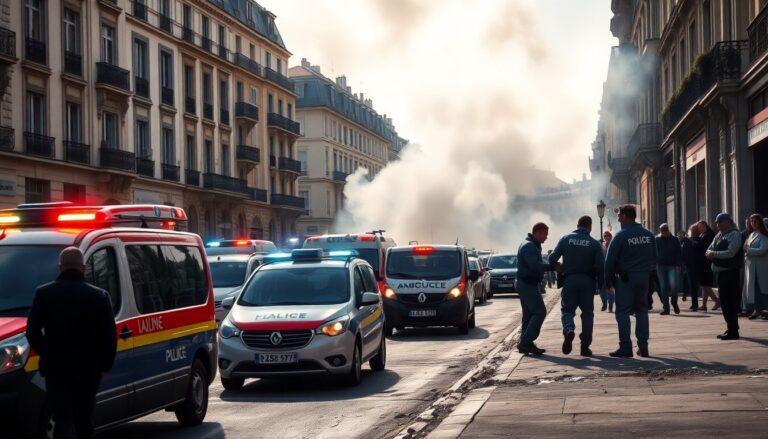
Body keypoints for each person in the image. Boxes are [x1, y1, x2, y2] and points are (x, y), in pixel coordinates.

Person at [26, 247, 117, 439]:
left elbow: (32, 332)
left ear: (60, 267)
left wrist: (47, 353)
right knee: (84, 420)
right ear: (83, 268)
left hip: (56, 370)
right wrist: (104, 366)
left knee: (62, 419)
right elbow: (109, 337)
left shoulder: (43, 294)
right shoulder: (99, 296)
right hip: (89, 369)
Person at [605, 205, 657, 358]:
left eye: (619, 216)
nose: (618, 219)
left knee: (622, 312)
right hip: (644, 277)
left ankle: (626, 347)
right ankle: (643, 345)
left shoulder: (621, 236)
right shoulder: (648, 235)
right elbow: (655, 257)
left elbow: (609, 261)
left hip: (626, 279)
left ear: (625, 216)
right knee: (642, 310)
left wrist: (608, 281)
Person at [549, 216, 604, 357]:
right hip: (587, 281)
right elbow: (600, 266)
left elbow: (552, 258)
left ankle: (568, 329)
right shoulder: (594, 244)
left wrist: (558, 267)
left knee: (567, 310)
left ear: (577, 225)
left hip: (570, 280)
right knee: (587, 314)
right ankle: (585, 347)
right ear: (590, 227)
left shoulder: (566, 239)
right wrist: (601, 284)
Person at [516, 222, 558, 355]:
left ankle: (525, 343)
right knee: (540, 312)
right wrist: (552, 267)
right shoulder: (529, 246)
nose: (546, 237)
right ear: (538, 233)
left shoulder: (532, 244)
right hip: (527, 284)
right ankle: (525, 342)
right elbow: (534, 265)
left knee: (528, 315)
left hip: (527, 284)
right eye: (545, 234)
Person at [706, 213, 744, 340]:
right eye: (717, 223)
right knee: (724, 302)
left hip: (730, 272)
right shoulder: (719, 235)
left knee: (730, 302)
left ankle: (733, 331)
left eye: (720, 222)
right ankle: (730, 328)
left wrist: (714, 254)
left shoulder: (734, 234)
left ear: (728, 221)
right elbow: (709, 249)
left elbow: (731, 252)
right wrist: (710, 253)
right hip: (720, 272)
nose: (718, 225)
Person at [743, 214, 768, 320]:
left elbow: (763, 249)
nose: (753, 223)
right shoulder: (751, 234)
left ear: (760, 222)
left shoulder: (764, 235)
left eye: (755, 221)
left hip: (761, 266)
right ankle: (757, 309)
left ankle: (766, 310)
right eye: (752, 221)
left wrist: (748, 251)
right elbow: (745, 248)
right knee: (754, 289)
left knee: (762, 288)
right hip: (751, 266)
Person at [655, 223, 682, 315]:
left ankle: (674, 302)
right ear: (660, 231)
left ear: (668, 230)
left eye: (666, 230)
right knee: (663, 288)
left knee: (674, 286)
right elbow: (653, 251)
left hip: (672, 266)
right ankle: (666, 308)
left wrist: (678, 265)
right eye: (662, 231)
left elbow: (679, 253)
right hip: (660, 266)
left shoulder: (674, 239)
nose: (664, 232)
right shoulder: (657, 239)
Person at [694, 221, 719, 311]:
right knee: (704, 285)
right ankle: (704, 305)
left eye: (700, 227)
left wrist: (694, 241)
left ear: (705, 226)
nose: (699, 229)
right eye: (698, 227)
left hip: (707, 263)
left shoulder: (710, 235)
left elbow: (701, 245)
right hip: (702, 263)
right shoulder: (703, 234)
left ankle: (717, 301)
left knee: (705, 285)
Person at [682, 224, 700, 311]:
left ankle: (694, 304)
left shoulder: (689, 241)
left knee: (693, 285)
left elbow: (684, 252)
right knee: (692, 285)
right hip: (694, 265)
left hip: (690, 265)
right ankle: (693, 302)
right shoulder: (698, 240)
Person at [600, 231, 616, 312]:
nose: (607, 237)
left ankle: (610, 305)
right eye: (605, 236)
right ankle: (604, 303)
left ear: (611, 236)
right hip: (602, 270)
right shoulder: (601, 246)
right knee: (602, 289)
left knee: (610, 288)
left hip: (610, 270)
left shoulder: (614, 245)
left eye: (608, 235)